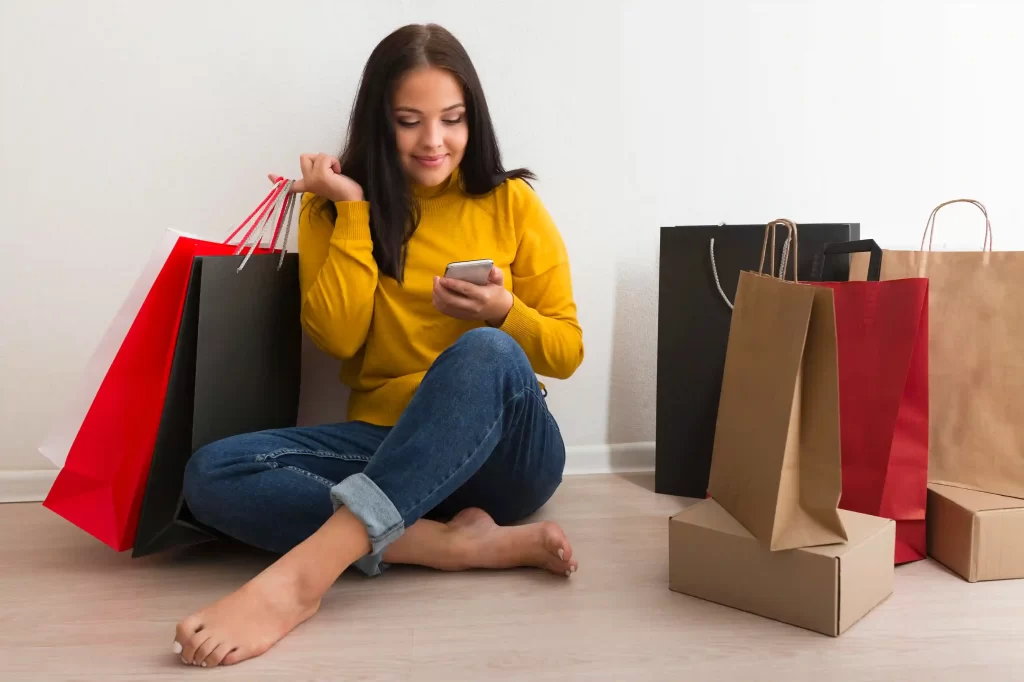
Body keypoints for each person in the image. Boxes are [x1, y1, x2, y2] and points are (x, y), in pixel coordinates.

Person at [171, 23, 584, 668]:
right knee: (212, 473)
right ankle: (449, 545)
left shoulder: (512, 204)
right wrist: (354, 211)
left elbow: (566, 352)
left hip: (505, 459)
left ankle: (302, 579)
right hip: (388, 446)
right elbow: (337, 338)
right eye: (409, 121)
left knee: (486, 352)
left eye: (452, 119)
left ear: (473, 118)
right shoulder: (334, 209)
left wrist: (505, 314)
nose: (433, 141)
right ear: (378, 122)